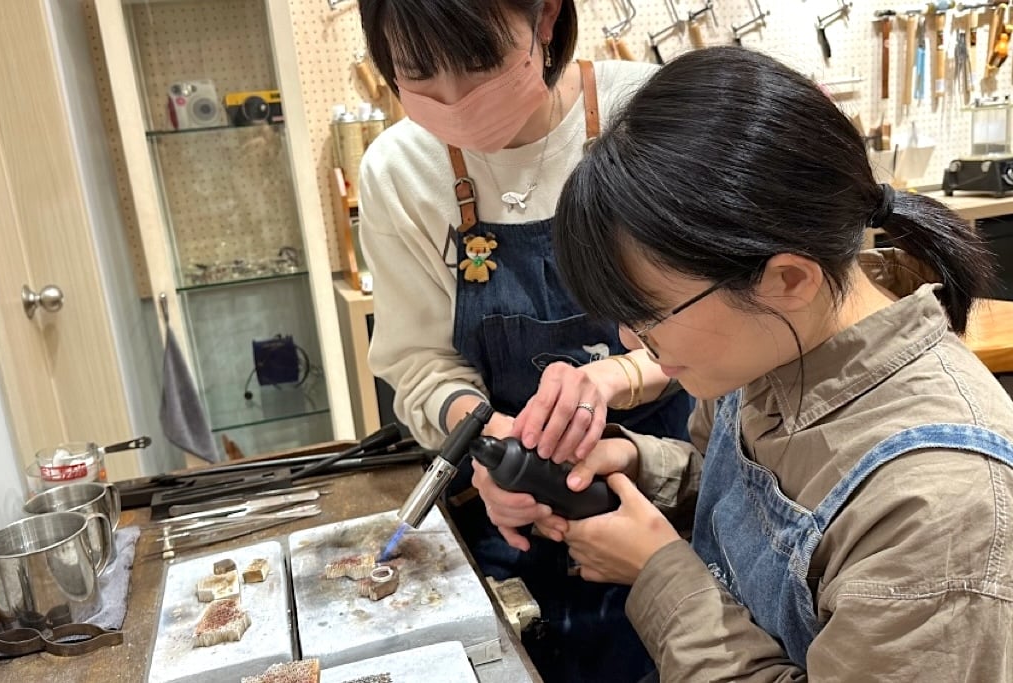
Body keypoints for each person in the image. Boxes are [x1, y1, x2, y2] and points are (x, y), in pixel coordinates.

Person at [494, 46, 1013, 679]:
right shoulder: (777, 344)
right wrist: (639, 465)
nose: (632, 342)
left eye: (648, 313)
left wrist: (660, 575)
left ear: (786, 279)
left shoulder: (941, 507)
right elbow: (744, 494)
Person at [355, 1, 693, 680]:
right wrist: (486, 445)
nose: (455, 102)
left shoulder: (654, 116)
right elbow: (419, 360)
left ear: (544, 19)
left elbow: (726, 323)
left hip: (674, 502)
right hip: (514, 533)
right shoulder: (399, 172)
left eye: (479, 64)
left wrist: (616, 376)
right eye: (418, 74)